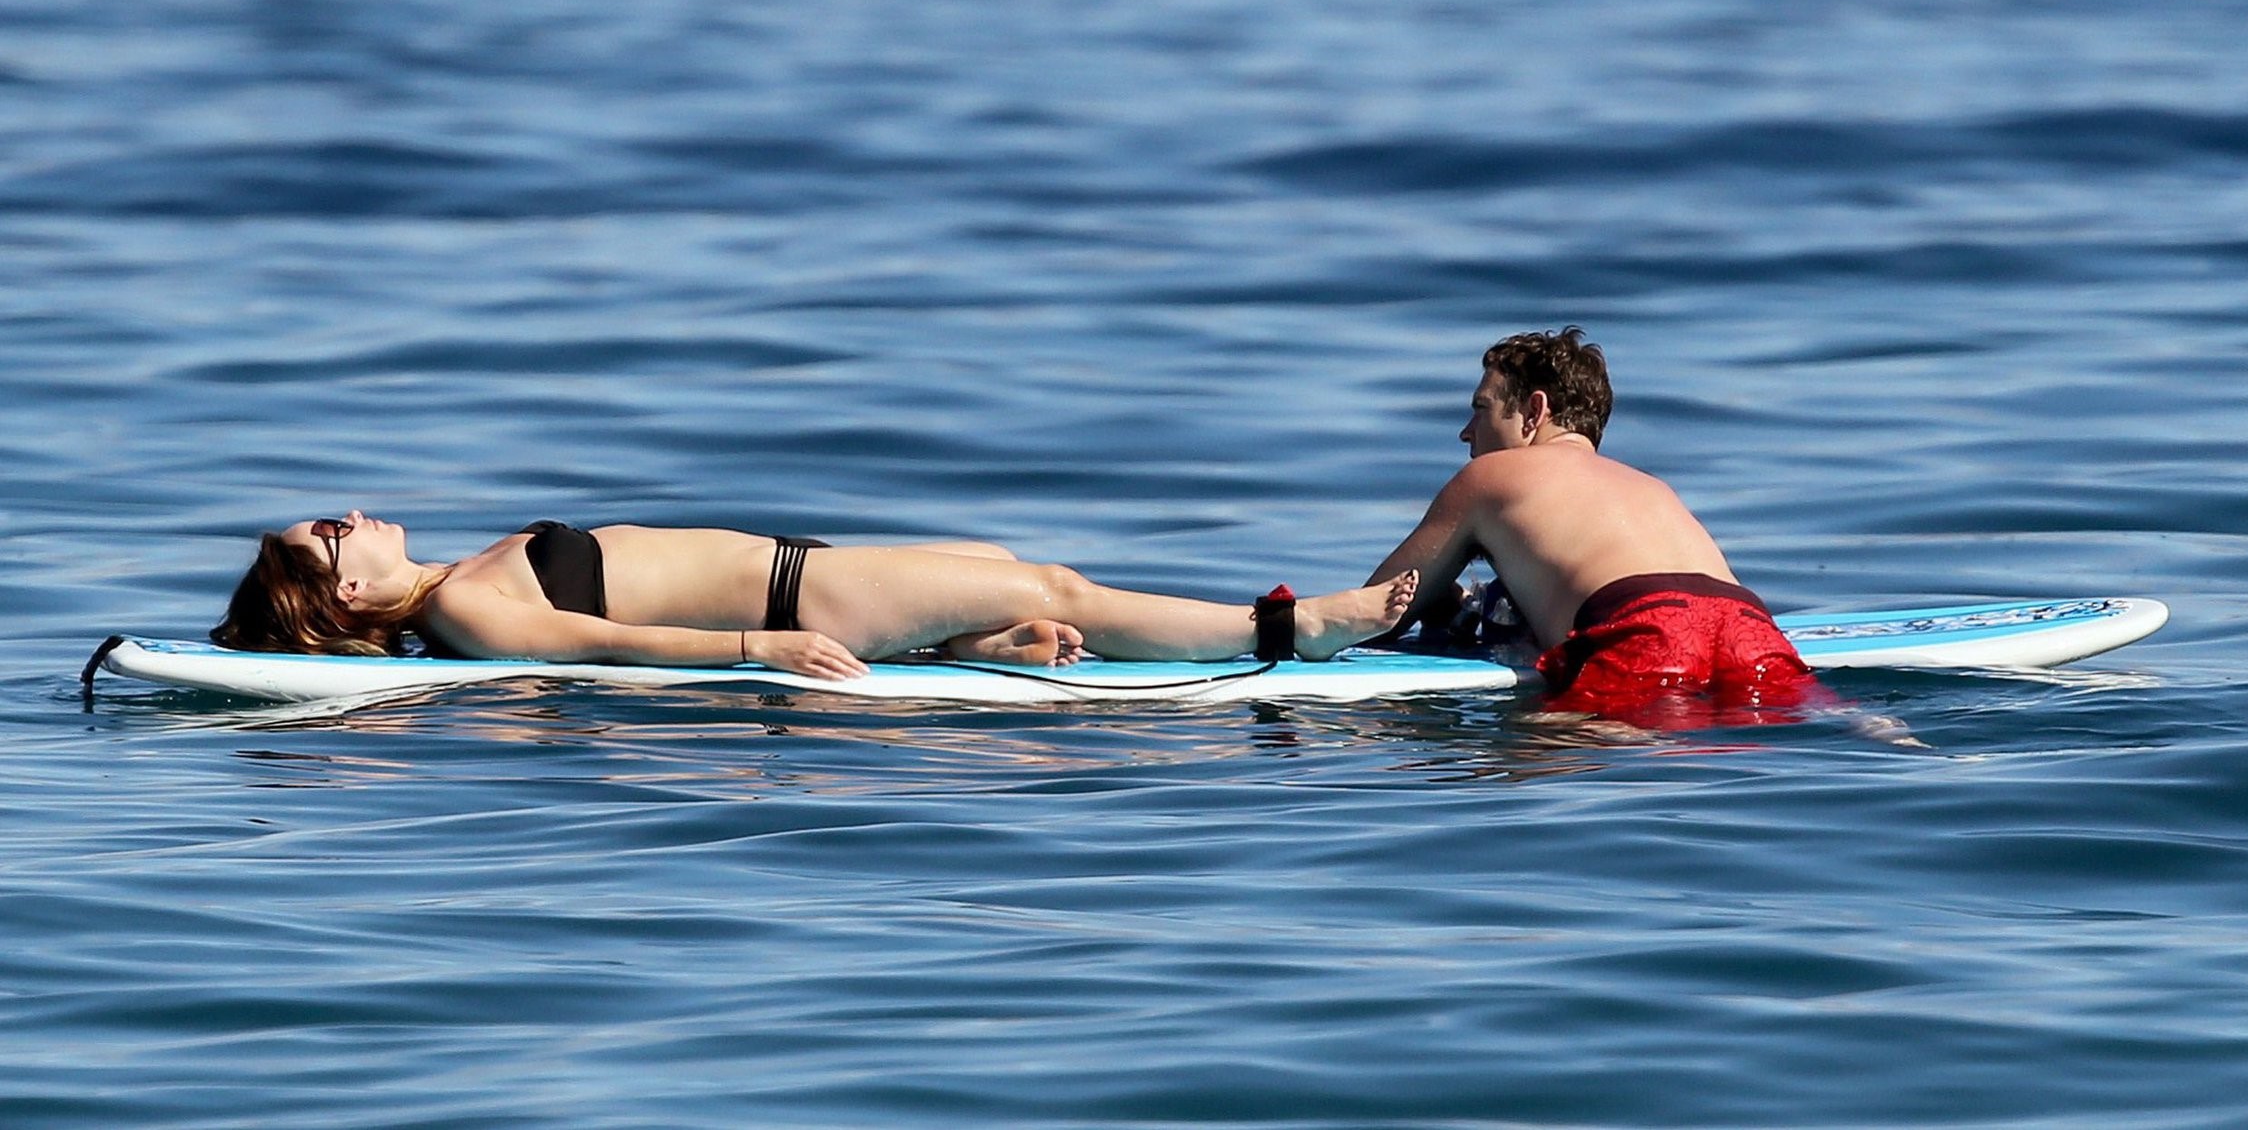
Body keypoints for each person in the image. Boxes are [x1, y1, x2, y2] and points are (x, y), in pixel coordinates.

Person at [216, 512, 1418, 679]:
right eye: (332, 534)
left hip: (809, 568)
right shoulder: (460, 609)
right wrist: (763, 648)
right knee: (1061, 581)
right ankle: (1292, 626)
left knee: (1004, 565)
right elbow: (602, 640)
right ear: (349, 592)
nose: (353, 510)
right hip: (800, 600)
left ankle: (971, 649)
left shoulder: (454, 581)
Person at [1366, 328, 1822, 719]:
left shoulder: (1490, 476)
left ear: (1533, 411)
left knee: (1539, 746)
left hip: (1642, 631)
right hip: (1748, 626)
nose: (1467, 431)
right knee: (1819, 713)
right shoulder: (1651, 487)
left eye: (1481, 408)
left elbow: (1375, 613)